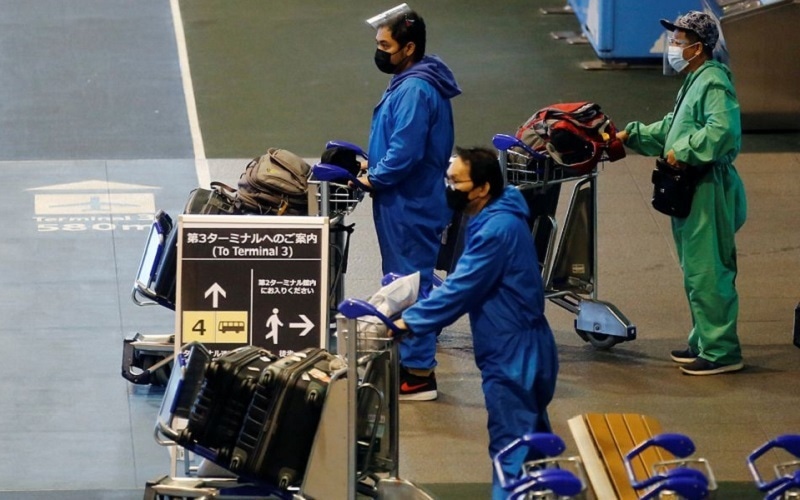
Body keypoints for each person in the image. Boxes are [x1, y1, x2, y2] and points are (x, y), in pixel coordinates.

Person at [394, 147, 559, 498]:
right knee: (532, 441)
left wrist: (407, 323)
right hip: (528, 344)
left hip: (512, 353)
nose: (449, 187)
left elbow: (460, 288)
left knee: (509, 447)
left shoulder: (495, 231)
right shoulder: (499, 212)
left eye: (456, 181)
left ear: (482, 188)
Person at [617, 11, 747, 375]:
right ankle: (704, 340)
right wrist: (634, 135)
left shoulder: (714, 81)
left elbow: (723, 131)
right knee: (695, 271)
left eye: (679, 40)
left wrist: (685, 150)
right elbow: (673, 128)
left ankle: (722, 352)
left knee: (709, 272)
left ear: (698, 48)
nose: (673, 46)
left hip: (708, 187)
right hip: (692, 187)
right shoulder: (694, 80)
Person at [358, 10, 461, 400]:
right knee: (405, 282)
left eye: (386, 46)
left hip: (410, 201)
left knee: (410, 286)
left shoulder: (416, 90)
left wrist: (375, 176)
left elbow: (405, 150)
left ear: (409, 47)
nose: (380, 53)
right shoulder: (412, 81)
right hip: (406, 198)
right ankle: (412, 361)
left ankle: (418, 375)